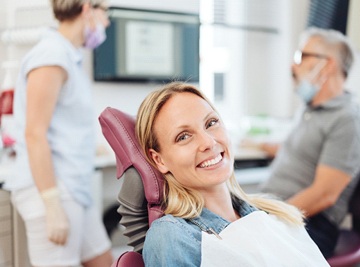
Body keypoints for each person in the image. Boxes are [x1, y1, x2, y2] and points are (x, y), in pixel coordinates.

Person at [135, 82, 329, 266]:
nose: (208, 142)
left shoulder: (275, 214)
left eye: (211, 123)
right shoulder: (173, 236)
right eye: (183, 136)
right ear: (159, 160)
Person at [4, 1, 113, 266]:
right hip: (51, 188)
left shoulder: (68, 55)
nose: (107, 22)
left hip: (73, 185)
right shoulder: (51, 56)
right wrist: (51, 206)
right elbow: (34, 134)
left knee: (103, 260)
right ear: (87, 8)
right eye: (105, 12)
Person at [256, 27, 360, 258]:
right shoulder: (310, 108)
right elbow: (304, 153)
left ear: (328, 65)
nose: (294, 66)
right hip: (279, 209)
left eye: (301, 57)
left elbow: (324, 194)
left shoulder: (347, 119)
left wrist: (268, 218)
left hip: (311, 222)